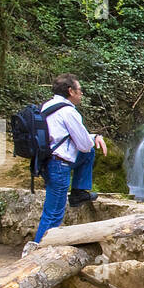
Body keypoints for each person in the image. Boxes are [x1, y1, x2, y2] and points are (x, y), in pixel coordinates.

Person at [33, 74, 108, 243]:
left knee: (51, 212)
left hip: (46, 161)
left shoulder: (47, 106)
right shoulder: (68, 112)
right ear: (70, 91)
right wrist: (94, 138)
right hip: (59, 164)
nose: (81, 93)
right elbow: (84, 145)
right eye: (80, 90)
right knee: (53, 215)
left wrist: (92, 136)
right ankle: (36, 253)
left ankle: (78, 193)